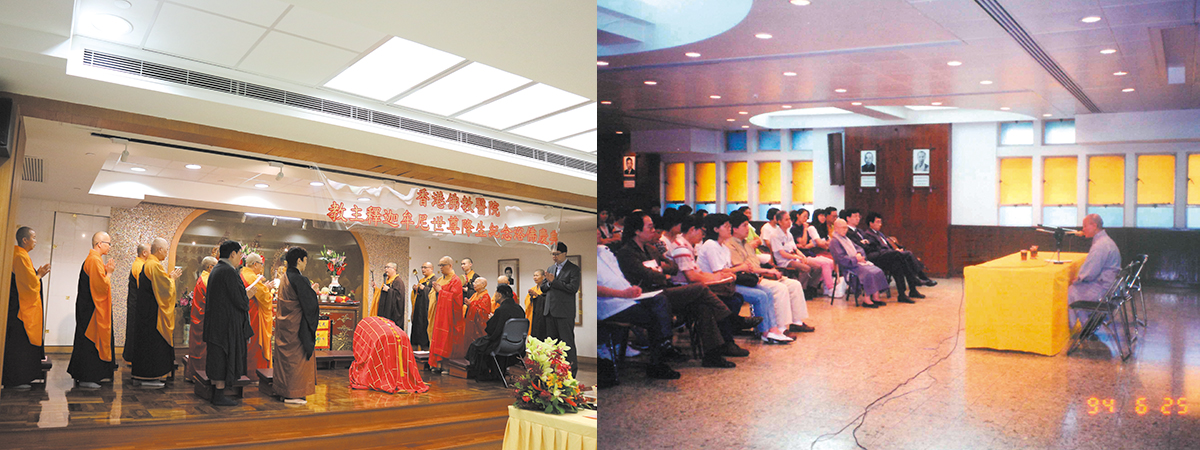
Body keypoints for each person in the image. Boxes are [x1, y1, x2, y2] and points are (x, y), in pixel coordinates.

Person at [614, 211, 741, 368]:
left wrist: (659, 270)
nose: (654, 231)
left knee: (703, 306)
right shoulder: (627, 252)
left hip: (663, 291)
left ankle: (712, 355)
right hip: (646, 296)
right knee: (699, 288)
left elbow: (673, 268)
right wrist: (660, 272)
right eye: (650, 227)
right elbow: (647, 276)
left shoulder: (651, 249)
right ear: (637, 231)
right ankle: (730, 317)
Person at [694, 214, 794, 343]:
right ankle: (764, 332)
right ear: (716, 229)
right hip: (717, 286)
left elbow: (728, 270)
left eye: (730, 226)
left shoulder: (723, 246)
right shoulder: (711, 245)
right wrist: (741, 267)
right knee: (760, 296)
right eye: (726, 226)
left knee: (767, 292)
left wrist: (741, 269)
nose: (729, 229)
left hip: (729, 282)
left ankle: (773, 329)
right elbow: (720, 272)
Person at [728, 214, 815, 333]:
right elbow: (745, 268)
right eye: (744, 225)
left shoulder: (746, 244)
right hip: (748, 279)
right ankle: (780, 327)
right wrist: (768, 271)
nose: (748, 228)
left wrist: (769, 270)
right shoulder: (730, 245)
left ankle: (797, 322)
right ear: (735, 228)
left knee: (794, 284)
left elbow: (754, 263)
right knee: (780, 288)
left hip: (759, 275)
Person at [204, 240, 255, 406]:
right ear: (233, 254)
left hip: (217, 323)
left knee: (217, 357)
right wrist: (248, 294)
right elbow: (239, 300)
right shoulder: (228, 271)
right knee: (221, 358)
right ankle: (218, 395)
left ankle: (216, 393)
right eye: (239, 254)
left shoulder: (218, 269)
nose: (240, 258)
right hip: (224, 326)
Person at [68, 232, 119, 389]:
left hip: (88, 308)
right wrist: (109, 273)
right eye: (108, 243)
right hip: (91, 311)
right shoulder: (94, 260)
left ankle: (92, 375)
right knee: (89, 341)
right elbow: (101, 287)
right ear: (99, 244)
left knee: (88, 341)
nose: (110, 246)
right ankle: (86, 377)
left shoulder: (95, 260)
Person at [131, 238, 182, 387]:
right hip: (152, 315)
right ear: (160, 250)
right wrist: (172, 279)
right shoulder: (154, 265)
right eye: (166, 250)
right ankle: (149, 377)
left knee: (145, 344)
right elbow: (164, 290)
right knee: (151, 345)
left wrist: (169, 278)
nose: (166, 253)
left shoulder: (150, 264)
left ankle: (144, 376)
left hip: (146, 312)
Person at [5, 227, 50, 389]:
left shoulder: (20, 255)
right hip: (20, 310)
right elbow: (30, 285)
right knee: (20, 343)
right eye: (34, 238)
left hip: (19, 306)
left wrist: (37, 273)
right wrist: (39, 275)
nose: (35, 241)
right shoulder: (20, 256)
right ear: (25, 240)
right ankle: (17, 379)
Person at [275, 246, 319, 404]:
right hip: (297, 328)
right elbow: (309, 304)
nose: (305, 264)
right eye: (305, 260)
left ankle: (283, 389)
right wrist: (313, 292)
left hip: (286, 326)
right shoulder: (299, 279)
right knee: (297, 360)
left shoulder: (286, 277)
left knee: (286, 360)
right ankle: (293, 394)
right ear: (299, 260)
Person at [1068, 214, 1122, 329]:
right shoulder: (1106, 241)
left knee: (1072, 290)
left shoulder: (1100, 246)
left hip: (1103, 290)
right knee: (1077, 288)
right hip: (1110, 286)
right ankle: (1088, 323)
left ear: (1094, 225)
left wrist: (1078, 279)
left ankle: (1084, 326)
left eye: (1085, 226)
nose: (1083, 229)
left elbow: (1090, 273)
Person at [468, 284, 524, 381]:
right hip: (518, 345)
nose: (495, 295)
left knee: (476, 345)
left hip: (502, 344)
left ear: (501, 295)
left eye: (496, 293)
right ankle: (496, 373)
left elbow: (491, 331)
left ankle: (484, 375)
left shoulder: (501, 310)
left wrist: (492, 319)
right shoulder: (519, 309)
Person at [829, 219, 888, 308]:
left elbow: (858, 248)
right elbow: (840, 259)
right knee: (869, 273)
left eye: (846, 228)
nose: (845, 230)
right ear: (836, 228)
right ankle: (867, 300)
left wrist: (859, 254)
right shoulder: (834, 241)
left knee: (877, 270)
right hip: (848, 266)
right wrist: (855, 259)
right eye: (843, 228)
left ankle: (876, 297)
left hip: (857, 262)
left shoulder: (846, 238)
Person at [544, 242, 581, 376]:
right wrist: (548, 282)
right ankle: (553, 372)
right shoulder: (550, 268)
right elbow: (543, 288)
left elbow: (573, 288)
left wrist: (554, 282)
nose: (554, 257)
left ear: (564, 254)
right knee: (552, 345)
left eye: (556, 254)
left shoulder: (573, 269)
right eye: (552, 254)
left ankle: (571, 373)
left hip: (564, 311)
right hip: (550, 310)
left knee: (567, 343)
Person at [429, 256, 464, 373]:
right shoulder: (440, 280)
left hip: (449, 317)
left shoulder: (455, 280)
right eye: (439, 265)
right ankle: (437, 364)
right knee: (438, 337)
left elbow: (455, 300)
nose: (441, 268)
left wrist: (441, 292)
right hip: (439, 315)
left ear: (450, 265)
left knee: (446, 339)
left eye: (443, 265)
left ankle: (446, 366)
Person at [185, 256, 217, 382]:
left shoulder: (203, 278)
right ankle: (200, 376)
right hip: (203, 319)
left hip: (199, 318)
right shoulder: (208, 279)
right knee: (202, 349)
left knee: (198, 348)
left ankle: (193, 373)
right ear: (210, 267)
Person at [792, 209, 837, 296]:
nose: (806, 219)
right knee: (823, 264)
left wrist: (807, 244)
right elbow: (805, 243)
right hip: (802, 255)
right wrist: (805, 232)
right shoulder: (796, 229)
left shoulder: (819, 228)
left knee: (831, 262)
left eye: (807, 217)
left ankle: (816, 287)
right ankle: (829, 287)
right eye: (804, 216)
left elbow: (810, 243)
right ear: (798, 215)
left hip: (809, 253)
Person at [241, 253, 271, 381]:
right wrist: (268, 288)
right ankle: (254, 374)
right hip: (254, 315)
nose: (261, 267)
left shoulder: (244, 273)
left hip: (248, 313)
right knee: (254, 344)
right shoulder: (251, 277)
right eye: (261, 264)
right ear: (255, 264)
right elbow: (264, 297)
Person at [455, 277, 491, 364]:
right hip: (470, 323)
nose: (474, 284)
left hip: (478, 326)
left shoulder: (485, 297)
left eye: (476, 283)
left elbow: (483, 312)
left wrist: (471, 304)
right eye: (474, 282)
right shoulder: (475, 294)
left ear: (483, 285)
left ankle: (476, 362)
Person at [123, 243, 148, 364]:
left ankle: (131, 356)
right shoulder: (139, 265)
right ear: (144, 253)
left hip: (135, 303)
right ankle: (132, 357)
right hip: (136, 304)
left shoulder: (140, 264)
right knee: (134, 330)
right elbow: (142, 287)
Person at [410, 262, 435, 351]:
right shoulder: (422, 280)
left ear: (431, 268)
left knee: (424, 333)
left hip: (426, 312)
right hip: (418, 311)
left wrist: (424, 289)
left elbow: (434, 295)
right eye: (422, 267)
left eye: (425, 267)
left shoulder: (434, 280)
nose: (423, 269)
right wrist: (415, 290)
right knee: (416, 331)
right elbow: (416, 296)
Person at [376, 262, 406, 328]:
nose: (386, 269)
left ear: (394, 269)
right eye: (385, 267)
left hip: (393, 315)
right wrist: (376, 289)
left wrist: (389, 291)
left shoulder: (398, 281)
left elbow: (399, 297)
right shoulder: (387, 281)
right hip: (385, 312)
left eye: (388, 267)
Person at [525, 269, 545, 336]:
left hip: (541, 317)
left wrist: (537, 296)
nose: (535, 277)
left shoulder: (545, 289)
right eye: (534, 276)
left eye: (537, 275)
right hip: (531, 315)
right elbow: (527, 303)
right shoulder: (532, 289)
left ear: (543, 277)